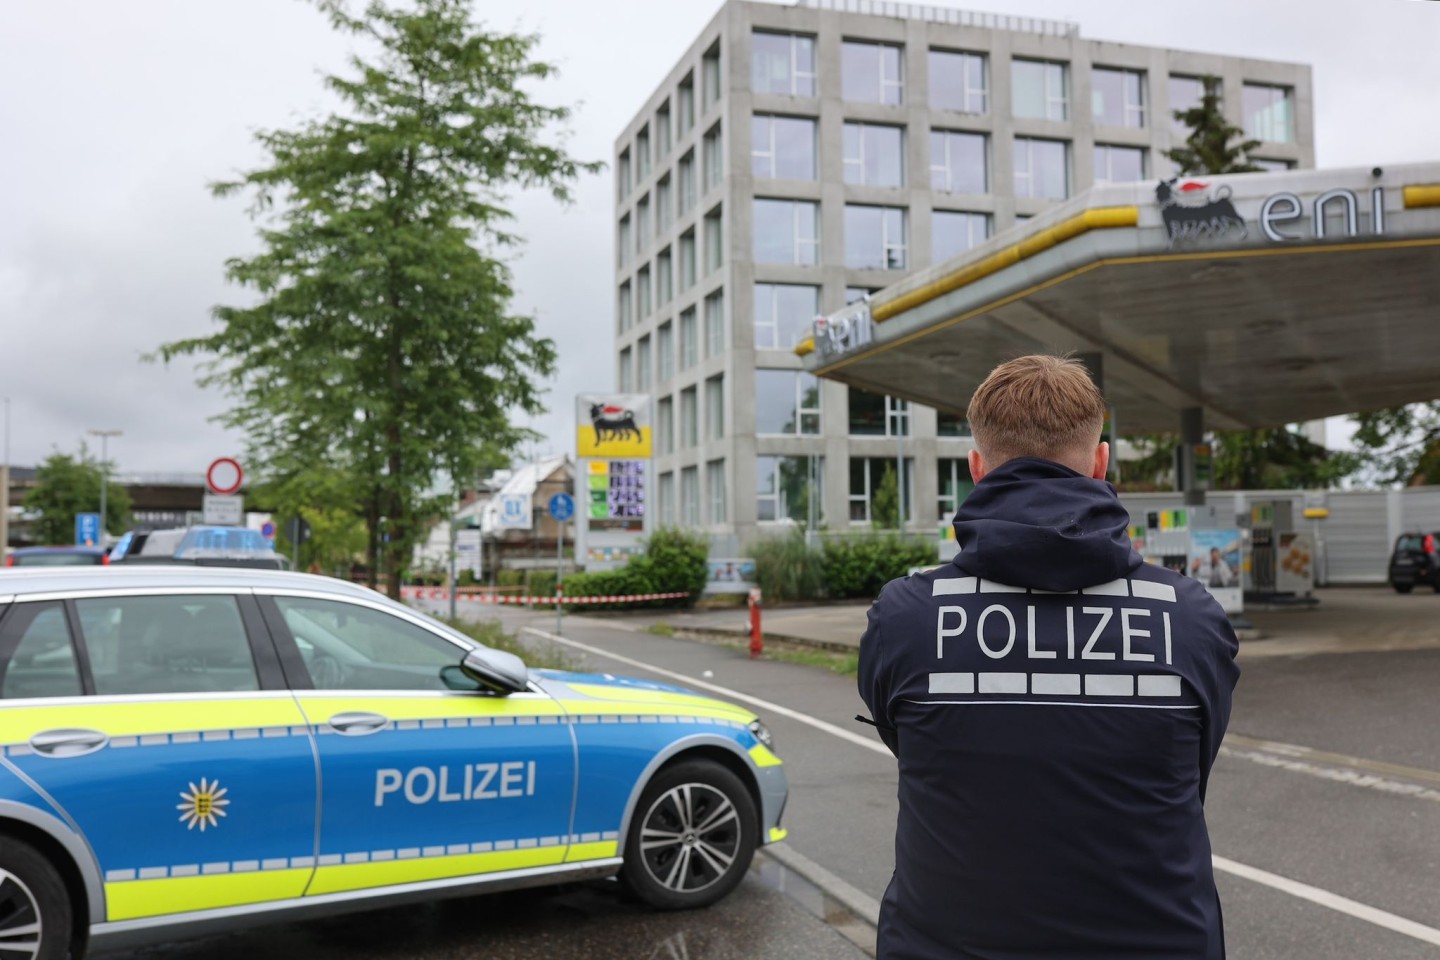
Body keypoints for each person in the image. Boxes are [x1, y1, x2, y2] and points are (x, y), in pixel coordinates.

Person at [858, 355, 1240, 960]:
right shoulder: (1189, 618)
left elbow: (910, 739)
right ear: (1100, 462)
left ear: (976, 467)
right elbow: (1194, 771)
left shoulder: (905, 618)